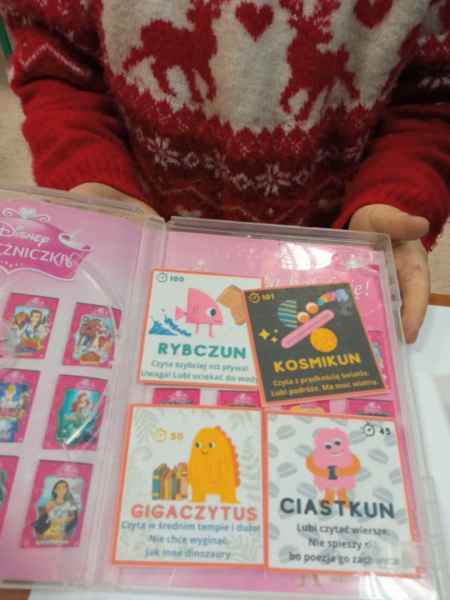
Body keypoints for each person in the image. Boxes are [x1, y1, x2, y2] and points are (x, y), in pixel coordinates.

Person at [1, 1, 449, 343]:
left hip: (332, 247)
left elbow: (432, 96)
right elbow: (55, 61)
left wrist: (397, 189)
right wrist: (90, 171)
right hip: (145, 234)